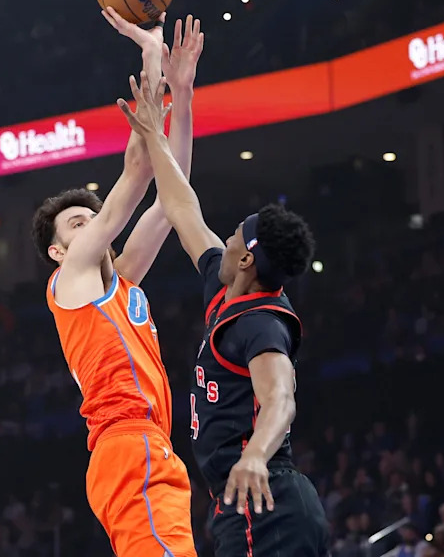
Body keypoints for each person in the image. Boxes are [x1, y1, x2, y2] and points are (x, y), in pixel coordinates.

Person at [119, 73, 328, 554]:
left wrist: (255, 455)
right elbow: (180, 206)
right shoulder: (224, 288)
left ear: (247, 258)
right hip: (246, 502)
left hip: (264, 498)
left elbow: (280, 398)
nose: (226, 235)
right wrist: (174, 105)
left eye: (236, 232)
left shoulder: (261, 322)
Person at [32, 10, 204, 557]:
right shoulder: (72, 277)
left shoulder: (122, 278)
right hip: (128, 443)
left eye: (93, 218)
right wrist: (151, 54)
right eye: (78, 224)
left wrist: (183, 89)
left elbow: (173, 187)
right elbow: (135, 172)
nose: (93, 225)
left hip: (147, 444)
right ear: (60, 251)